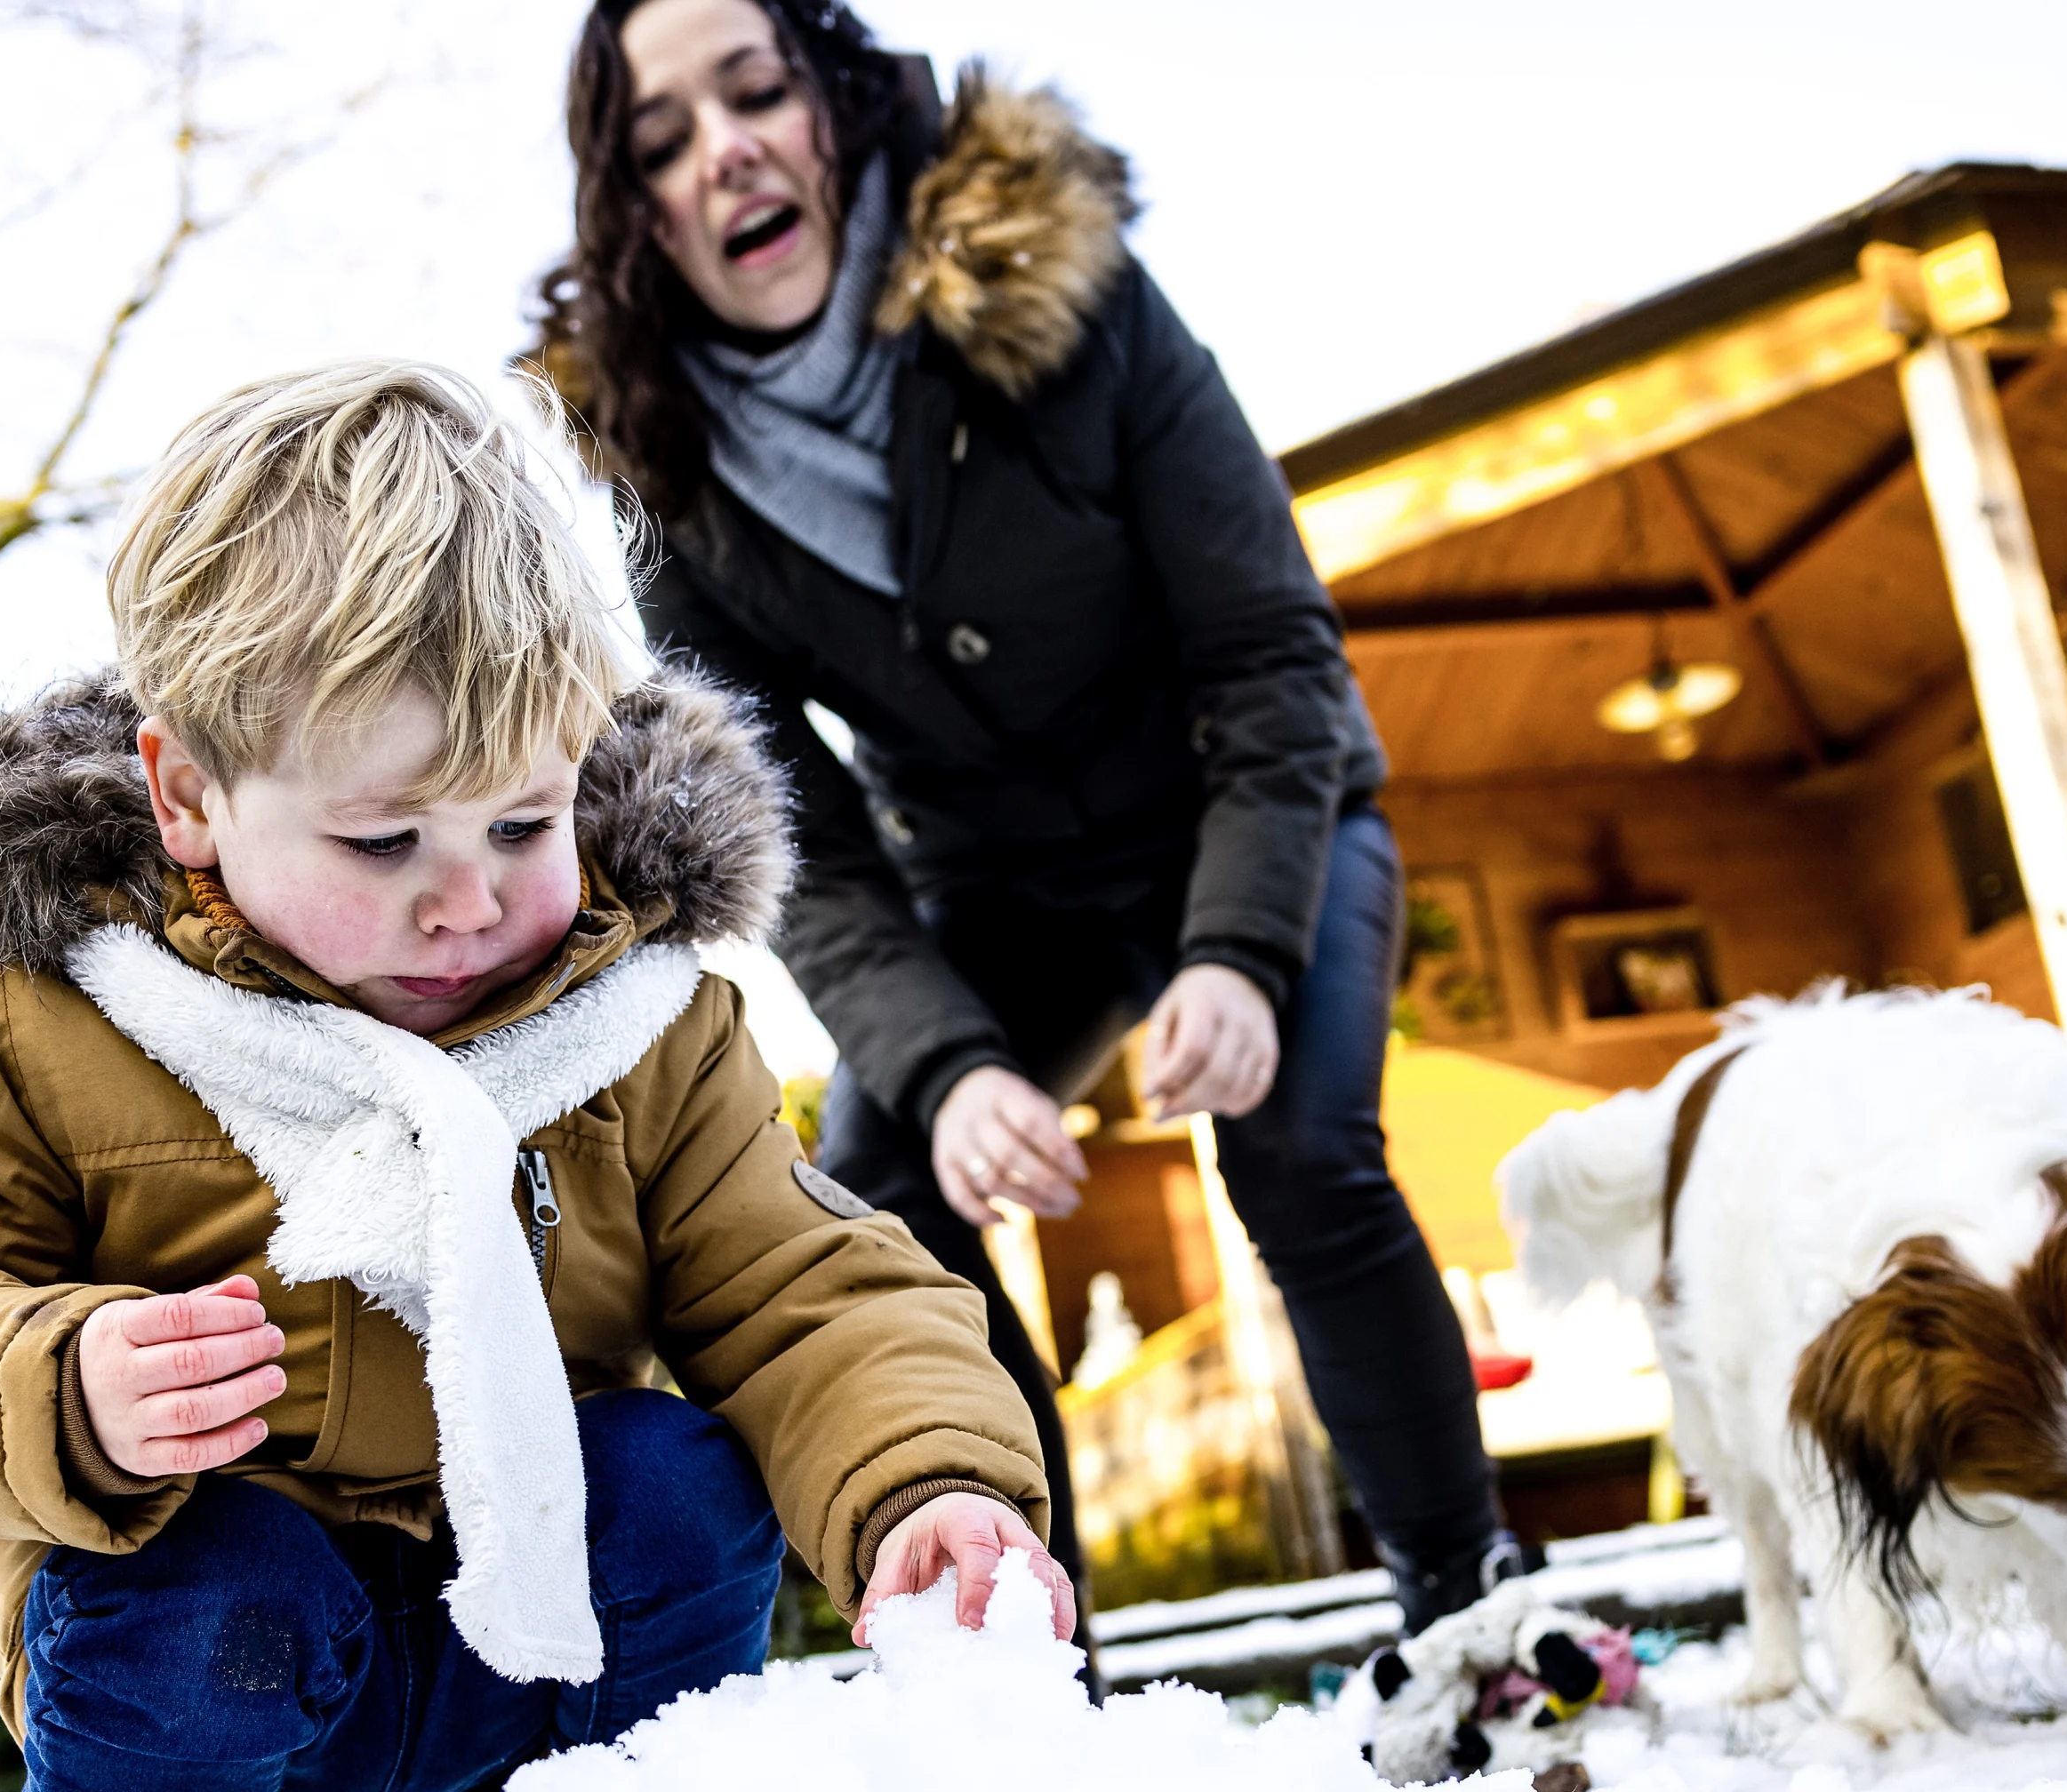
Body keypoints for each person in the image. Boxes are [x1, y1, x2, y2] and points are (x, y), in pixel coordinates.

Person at [0, 362, 1065, 1792]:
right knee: (204, 1562)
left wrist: (927, 1481)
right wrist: (60, 1382)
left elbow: (810, 1285)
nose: (466, 900)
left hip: (534, 1640)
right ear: (190, 793)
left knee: (687, 1479)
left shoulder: (634, 1022)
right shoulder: (47, 1016)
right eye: (384, 843)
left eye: (523, 827)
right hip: (216, 1666)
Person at [538, 0, 1519, 1631]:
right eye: (661, 141)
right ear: (635, 212)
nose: (725, 151)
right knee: (881, 1186)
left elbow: (1273, 649)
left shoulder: (1063, 290)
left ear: (836, 109)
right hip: (1000, 887)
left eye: (755, 90)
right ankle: (1030, 1671)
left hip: (1257, 807)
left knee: (1299, 1148)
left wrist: (1240, 947)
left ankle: (1470, 1602)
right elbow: (784, 825)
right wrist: (951, 1059)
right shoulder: (668, 471)